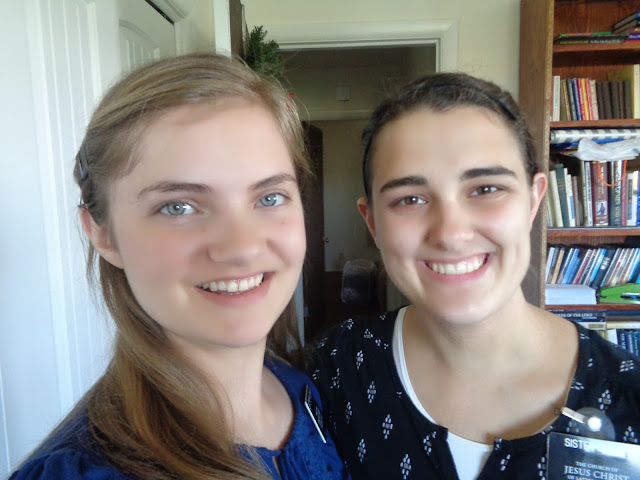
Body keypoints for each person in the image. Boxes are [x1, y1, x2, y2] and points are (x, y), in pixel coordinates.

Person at [11, 53, 349, 480]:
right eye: (179, 206)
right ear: (103, 234)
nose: (242, 248)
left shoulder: (299, 387)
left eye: (269, 198)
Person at [307, 73, 640, 479]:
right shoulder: (336, 368)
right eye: (410, 199)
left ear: (533, 201)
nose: (450, 234)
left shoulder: (628, 395)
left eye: (485, 189)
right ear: (372, 222)